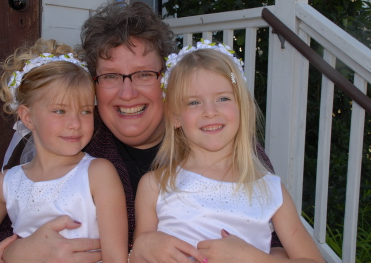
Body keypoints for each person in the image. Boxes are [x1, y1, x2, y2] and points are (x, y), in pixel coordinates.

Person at [0, 2, 286, 263]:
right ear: (93, 85)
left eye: (144, 74)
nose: (127, 92)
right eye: (110, 76)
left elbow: (276, 244)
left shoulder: (220, 142)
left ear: (169, 82)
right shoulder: (65, 140)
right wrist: (11, 253)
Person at [133, 41, 325, 263]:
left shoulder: (270, 190)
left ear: (242, 106)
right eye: (194, 102)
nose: (210, 112)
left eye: (223, 98)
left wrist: (252, 258)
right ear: (176, 116)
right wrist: (141, 247)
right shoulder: (156, 185)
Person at [0, 39, 128, 263]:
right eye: (60, 110)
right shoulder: (6, 183)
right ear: (28, 117)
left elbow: (116, 256)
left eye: (86, 111)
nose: (75, 123)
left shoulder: (98, 173)